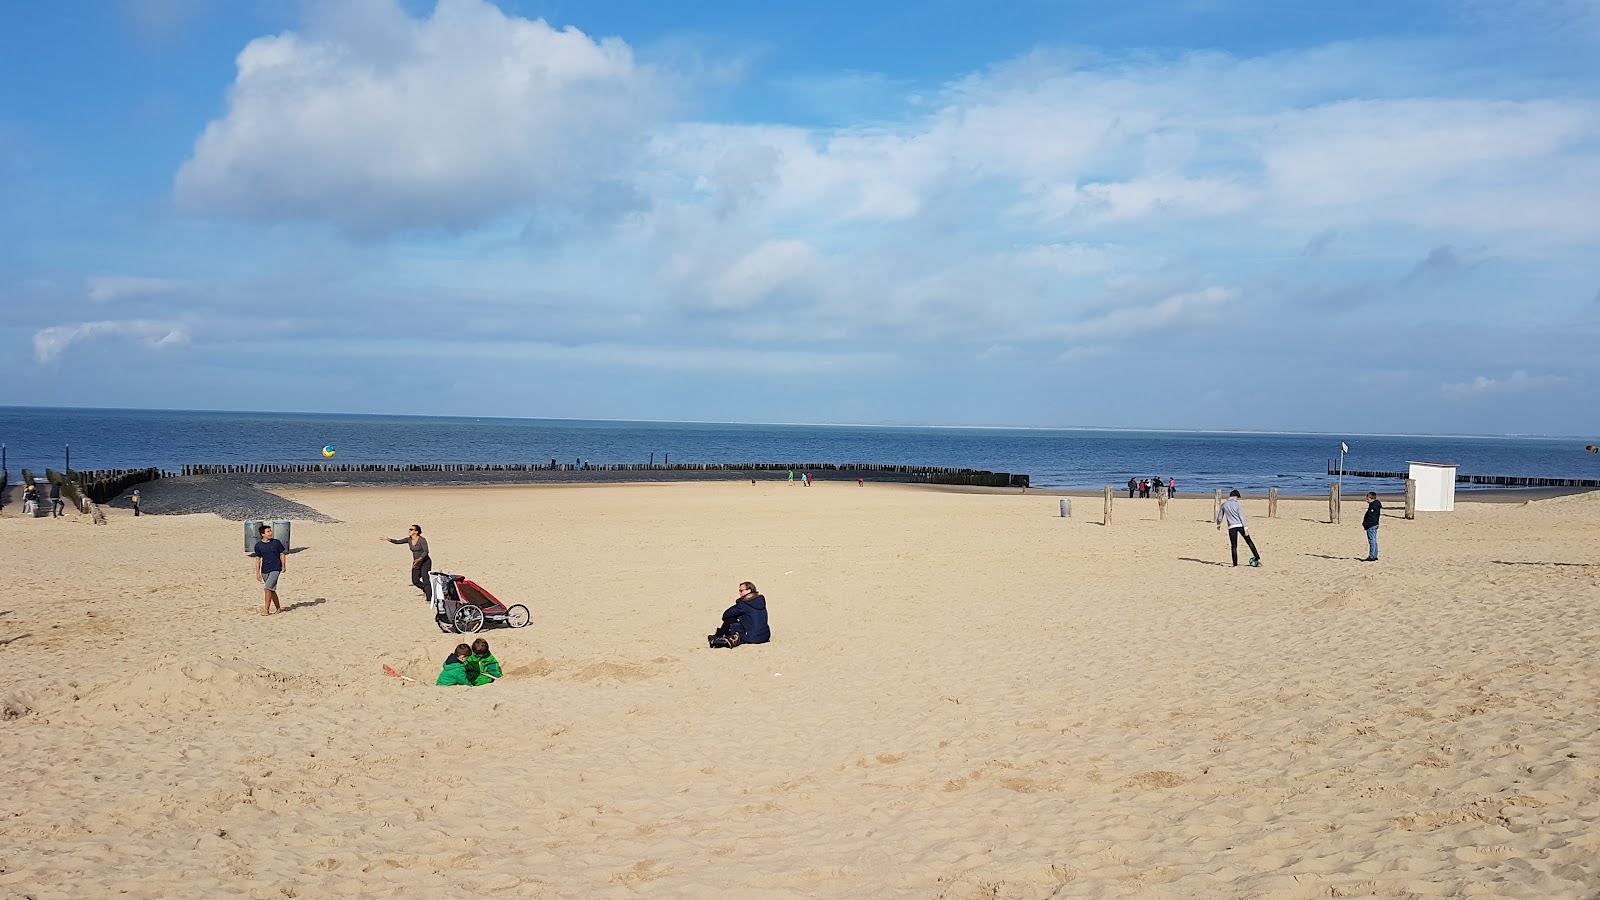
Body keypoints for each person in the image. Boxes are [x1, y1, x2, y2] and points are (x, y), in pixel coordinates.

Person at [709, 581, 771, 648]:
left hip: (753, 637)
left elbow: (726, 615)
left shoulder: (744, 604)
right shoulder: (759, 601)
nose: (739, 593)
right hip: (765, 636)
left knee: (729, 620)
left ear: (749, 590)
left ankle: (718, 635)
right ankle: (722, 633)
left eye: (741, 591)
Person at [379, 525, 432, 602]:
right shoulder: (408, 540)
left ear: (416, 532)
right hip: (416, 563)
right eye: (409, 529)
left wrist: (419, 559)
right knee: (415, 581)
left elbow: (426, 552)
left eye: (411, 529)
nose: (409, 531)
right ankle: (428, 590)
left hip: (425, 562)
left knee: (425, 580)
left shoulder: (422, 540)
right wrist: (388, 539)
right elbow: (397, 542)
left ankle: (429, 598)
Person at [1215, 490, 1262, 567]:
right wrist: (1246, 528)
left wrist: (1218, 524)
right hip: (1240, 525)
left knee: (1234, 546)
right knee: (1249, 542)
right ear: (1236, 497)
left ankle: (1235, 564)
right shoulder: (1238, 505)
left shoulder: (1224, 505)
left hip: (1231, 527)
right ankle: (1258, 559)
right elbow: (1242, 517)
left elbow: (1220, 516)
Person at [253, 524, 287, 615]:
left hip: (276, 568)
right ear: (262, 534)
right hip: (265, 570)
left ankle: (266, 610)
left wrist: (283, 566)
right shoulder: (258, 545)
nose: (270, 533)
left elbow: (282, 554)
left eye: (270, 531)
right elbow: (258, 559)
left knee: (267, 588)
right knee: (271, 590)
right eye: (268, 531)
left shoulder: (276, 542)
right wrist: (257, 573)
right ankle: (278, 608)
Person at [1362, 491, 1382, 562]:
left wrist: (1366, 524)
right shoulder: (1373, 505)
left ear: (1371, 498)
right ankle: (1374, 555)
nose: (1366, 500)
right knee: (1374, 540)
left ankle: (1372, 556)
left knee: (1372, 541)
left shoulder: (1374, 506)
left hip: (1371, 525)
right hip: (1374, 524)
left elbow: (1371, 517)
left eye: (1368, 499)